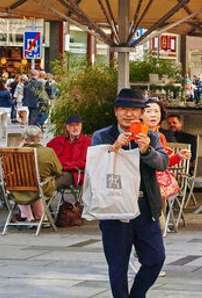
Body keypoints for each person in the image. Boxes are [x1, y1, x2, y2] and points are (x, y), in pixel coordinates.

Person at [91, 88, 168, 298]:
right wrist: (114, 149)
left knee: (155, 258)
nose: (129, 114)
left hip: (144, 206)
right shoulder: (102, 136)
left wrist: (147, 151)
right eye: (124, 109)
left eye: (134, 110)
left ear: (141, 113)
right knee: (118, 264)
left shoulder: (150, 135)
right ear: (115, 111)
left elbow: (163, 163)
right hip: (114, 208)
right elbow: (94, 168)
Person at [10, 126, 61, 225]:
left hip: (17, 188)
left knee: (28, 184)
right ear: (40, 137)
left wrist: (19, 148)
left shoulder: (13, 153)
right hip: (41, 188)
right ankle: (40, 217)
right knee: (41, 183)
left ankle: (29, 217)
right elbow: (58, 170)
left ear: (24, 138)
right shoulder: (48, 152)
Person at [48, 115, 89, 190]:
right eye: (72, 126)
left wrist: (67, 165)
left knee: (50, 185)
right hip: (54, 171)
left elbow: (85, 162)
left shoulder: (87, 142)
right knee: (38, 180)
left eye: (77, 125)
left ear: (81, 126)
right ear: (67, 127)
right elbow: (46, 153)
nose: (75, 128)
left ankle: (41, 199)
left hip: (73, 172)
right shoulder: (58, 140)